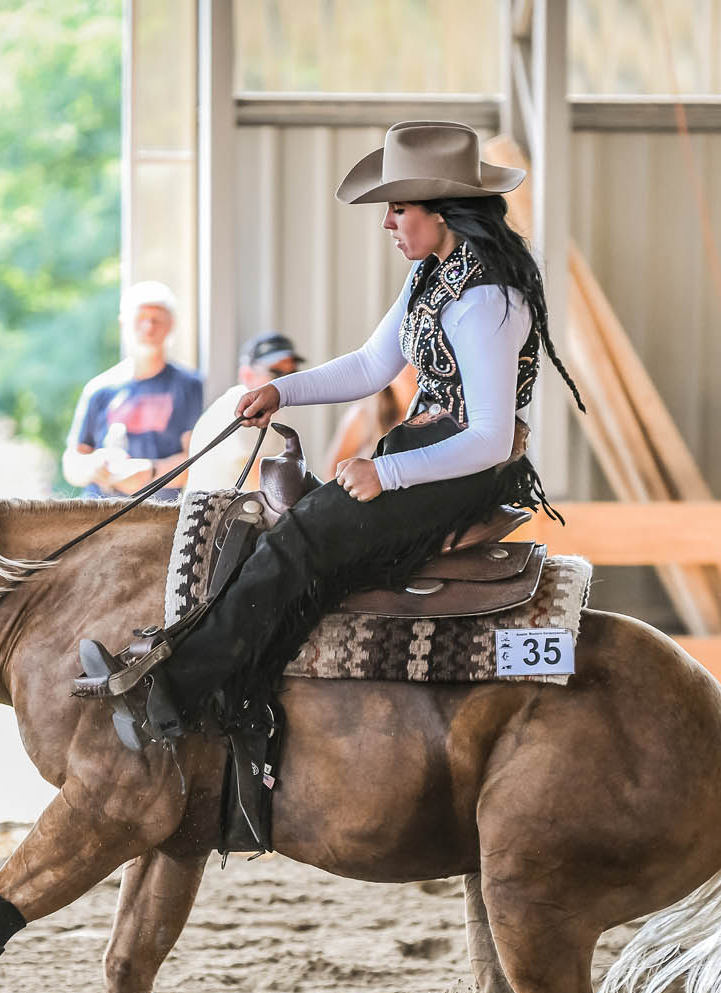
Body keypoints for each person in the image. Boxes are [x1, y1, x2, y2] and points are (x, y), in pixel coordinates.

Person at [76, 120, 584, 746]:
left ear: (442, 211)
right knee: (299, 524)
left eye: (399, 209)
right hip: (426, 454)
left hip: (463, 471)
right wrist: (281, 391)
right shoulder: (433, 274)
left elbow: (489, 438)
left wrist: (385, 472)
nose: (387, 222)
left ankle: (174, 695)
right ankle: (240, 691)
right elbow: (371, 365)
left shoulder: (486, 300)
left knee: (302, 539)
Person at [62, 281, 206, 500]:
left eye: (156, 319)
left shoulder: (190, 386)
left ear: (171, 324)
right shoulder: (100, 389)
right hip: (98, 511)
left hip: (160, 512)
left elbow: (199, 459)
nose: (148, 327)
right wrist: (94, 466)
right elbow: (72, 463)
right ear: (124, 323)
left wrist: (150, 472)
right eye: (140, 319)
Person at [182, 330, 308, 491]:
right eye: (276, 373)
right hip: (221, 505)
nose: (286, 381)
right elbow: (260, 481)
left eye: (292, 373)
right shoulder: (240, 405)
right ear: (247, 375)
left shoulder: (273, 411)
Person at [324, 364, 419, 476]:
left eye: (412, 360)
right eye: (401, 360)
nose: (407, 366)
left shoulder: (434, 415)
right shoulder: (365, 413)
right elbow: (332, 472)